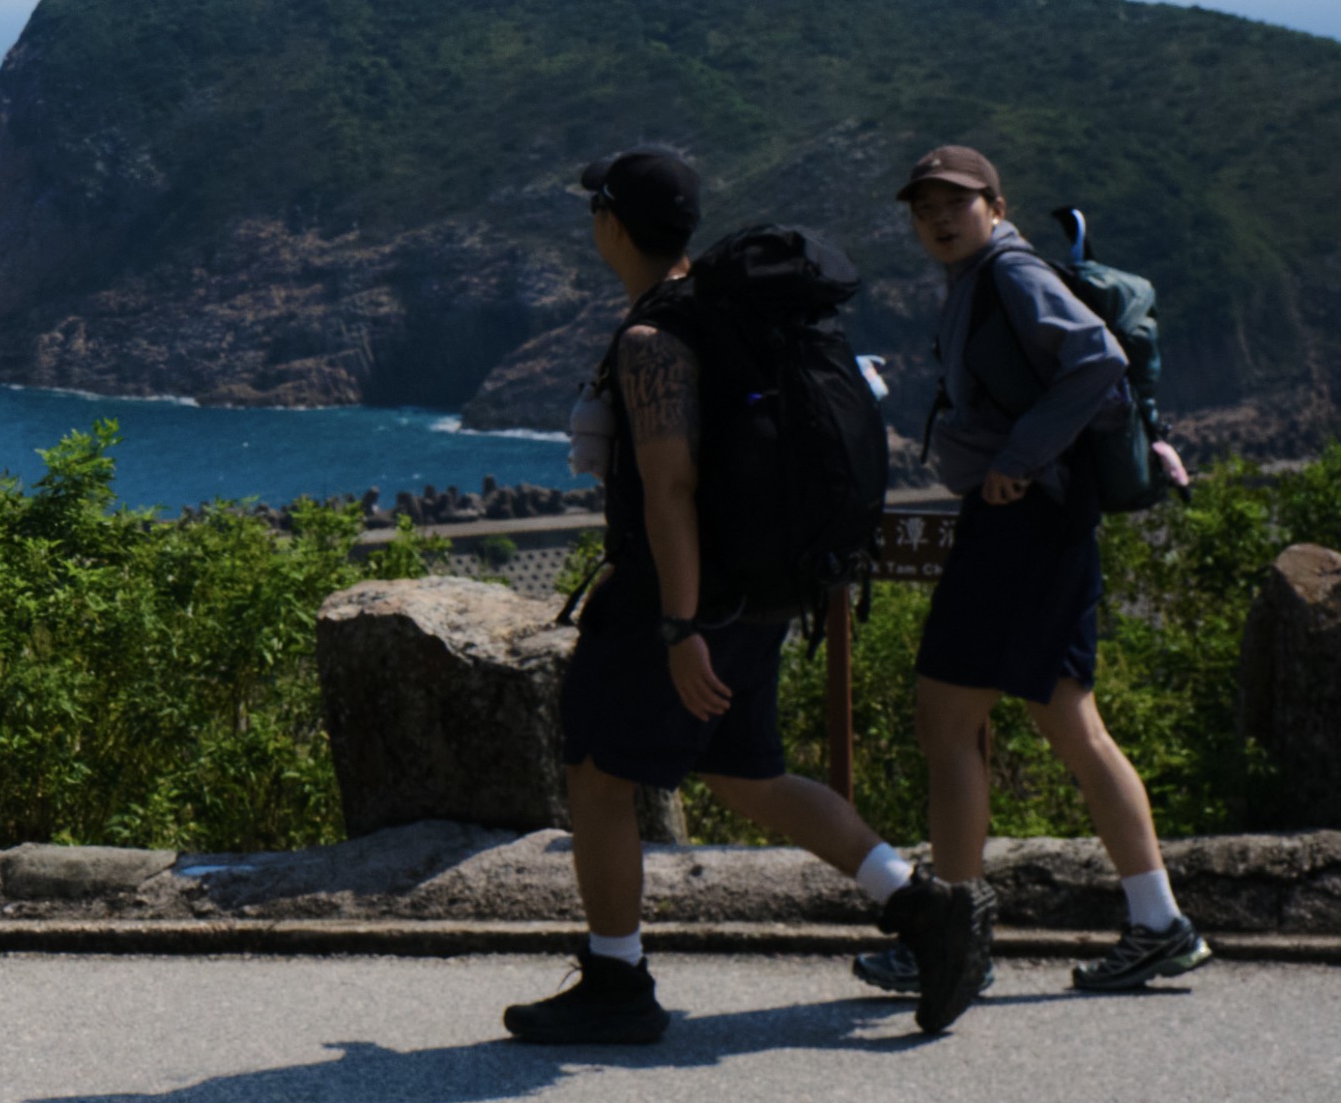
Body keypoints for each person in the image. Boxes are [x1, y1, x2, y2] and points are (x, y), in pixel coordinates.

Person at [505, 149, 988, 1045]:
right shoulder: (736, 315)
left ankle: (616, 978)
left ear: (612, 224)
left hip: (688, 605)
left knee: (599, 776)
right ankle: (924, 905)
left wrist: (680, 627)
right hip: (765, 593)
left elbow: (670, 490)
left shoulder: (656, 339)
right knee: (746, 772)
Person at [860, 146, 1210, 997]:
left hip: (1024, 521)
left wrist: (1017, 457)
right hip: (1044, 523)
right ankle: (1158, 923)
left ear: (996, 204)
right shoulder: (976, 280)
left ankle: (952, 935)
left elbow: (1098, 361)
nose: (940, 219)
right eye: (924, 208)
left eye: (957, 203)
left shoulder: (1009, 275)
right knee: (1070, 725)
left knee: (946, 718)